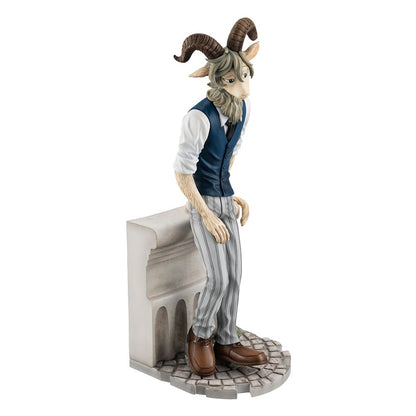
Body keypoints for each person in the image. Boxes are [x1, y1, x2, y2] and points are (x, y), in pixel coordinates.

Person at [173, 18, 267, 377]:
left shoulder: (242, 110)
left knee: (236, 275)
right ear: (213, 79)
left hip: (225, 200)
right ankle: (200, 334)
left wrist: (231, 195)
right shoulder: (198, 117)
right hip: (204, 204)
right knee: (217, 278)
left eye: (244, 75)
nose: (243, 86)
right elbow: (183, 172)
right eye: (231, 80)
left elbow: (225, 159)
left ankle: (227, 339)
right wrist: (205, 212)